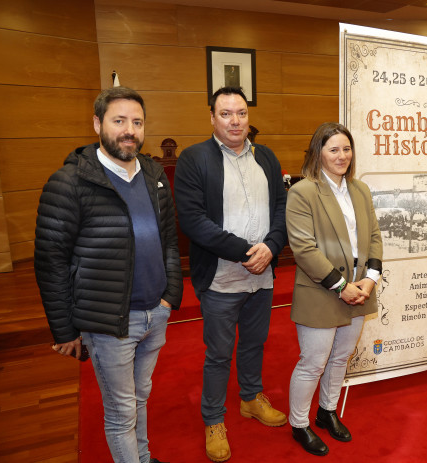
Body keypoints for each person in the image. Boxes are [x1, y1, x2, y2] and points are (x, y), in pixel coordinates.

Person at [34, 86, 182, 463]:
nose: (129, 130)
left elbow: (168, 238)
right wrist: (64, 330)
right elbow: (51, 261)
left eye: (137, 122)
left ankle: (144, 457)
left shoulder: (153, 174)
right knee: (122, 413)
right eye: (119, 121)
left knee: (140, 397)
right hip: (109, 322)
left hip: (155, 313)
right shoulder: (69, 183)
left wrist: (170, 295)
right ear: (98, 123)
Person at [173, 86, 288, 462]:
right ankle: (213, 419)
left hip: (262, 276)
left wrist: (271, 247)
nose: (235, 120)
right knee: (219, 354)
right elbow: (192, 220)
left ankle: (251, 399)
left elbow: (282, 208)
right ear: (212, 118)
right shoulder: (194, 159)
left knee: (255, 344)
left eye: (240, 113)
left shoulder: (266, 157)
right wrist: (246, 253)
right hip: (222, 278)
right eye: (225, 114)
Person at [285, 122, 383, 456]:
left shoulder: (360, 190)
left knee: (342, 356)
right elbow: (304, 249)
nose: (342, 156)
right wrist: (342, 287)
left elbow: (373, 238)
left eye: (346, 149)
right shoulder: (303, 192)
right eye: (333, 149)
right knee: (313, 362)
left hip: (360, 288)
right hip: (323, 290)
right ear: (318, 153)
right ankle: (299, 424)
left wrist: (370, 279)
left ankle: (327, 411)